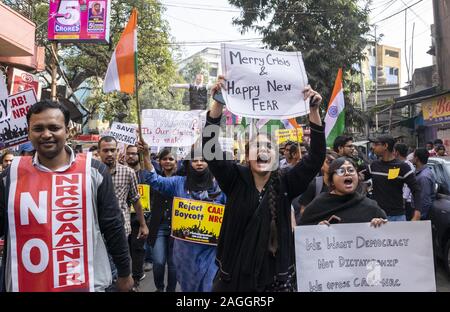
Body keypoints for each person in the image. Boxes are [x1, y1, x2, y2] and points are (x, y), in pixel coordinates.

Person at [204, 78, 325, 292]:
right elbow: (209, 150)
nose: (263, 150)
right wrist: (218, 102)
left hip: (274, 280)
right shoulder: (234, 179)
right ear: (247, 155)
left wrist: (313, 110)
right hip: (234, 279)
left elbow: (316, 157)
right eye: (257, 146)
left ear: (277, 157)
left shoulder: (286, 183)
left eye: (269, 147)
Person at [0, 100, 133, 292]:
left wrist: (124, 272)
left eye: (54, 127)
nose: (46, 134)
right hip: (28, 283)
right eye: (38, 128)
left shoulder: (94, 171)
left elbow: (112, 225)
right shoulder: (10, 175)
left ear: (68, 130)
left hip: (86, 284)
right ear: (28, 132)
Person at [142, 143, 226, 292]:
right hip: (185, 251)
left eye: (203, 160)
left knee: (208, 286)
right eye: (195, 160)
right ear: (189, 163)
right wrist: (147, 157)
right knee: (189, 286)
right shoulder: (179, 183)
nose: (199, 163)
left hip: (211, 250)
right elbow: (155, 180)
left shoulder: (220, 187)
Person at [98, 136, 149, 286]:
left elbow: (136, 201)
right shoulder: (91, 172)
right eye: (105, 150)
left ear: (117, 151)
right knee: (105, 269)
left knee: (119, 268)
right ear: (99, 151)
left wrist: (143, 224)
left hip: (121, 229)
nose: (109, 154)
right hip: (97, 230)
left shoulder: (128, 172)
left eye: (112, 150)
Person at [299, 157, 387, 226]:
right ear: (332, 181)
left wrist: (380, 224)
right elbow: (303, 235)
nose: (347, 173)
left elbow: (386, 235)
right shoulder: (318, 204)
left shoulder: (370, 206)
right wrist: (317, 229)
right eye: (341, 171)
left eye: (351, 170)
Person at [145, 148, 178, 292]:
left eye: (171, 159)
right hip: (159, 226)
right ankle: (159, 288)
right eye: (164, 159)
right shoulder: (154, 177)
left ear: (177, 162)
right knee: (158, 261)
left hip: (178, 228)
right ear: (159, 162)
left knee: (173, 264)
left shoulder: (183, 178)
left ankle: (171, 290)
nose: (168, 162)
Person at [368, 135, 422, 221]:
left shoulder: (403, 167)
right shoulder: (374, 165)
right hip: (376, 217)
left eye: (376, 144)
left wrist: (417, 213)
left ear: (385, 146)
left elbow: (416, 190)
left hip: (397, 217)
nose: (373, 147)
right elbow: (360, 178)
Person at [125, 144, 152, 288]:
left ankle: (135, 278)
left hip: (140, 218)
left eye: (134, 153)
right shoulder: (121, 173)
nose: (131, 156)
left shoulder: (146, 175)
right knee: (127, 249)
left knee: (137, 248)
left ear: (139, 155)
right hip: (124, 217)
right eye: (128, 153)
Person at [298, 150, 339, 216]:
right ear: (322, 165)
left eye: (336, 162)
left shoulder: (343, 185)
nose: (332, 165)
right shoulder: (314, 185)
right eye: (329, 162)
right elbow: (303, 211)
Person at [393, 143, 415, 220]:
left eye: (394, 151)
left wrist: (404, 199)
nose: (393, 153)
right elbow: (392, 181)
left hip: (406, 201)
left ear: (397, 152)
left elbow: (408, 185)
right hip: (396, 200)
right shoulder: (395, 165)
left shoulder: (408, 165)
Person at [412, 148, 435, 220]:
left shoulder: (424, 177)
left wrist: (419, 216)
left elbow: (424, 200)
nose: (412, 158)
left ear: (416, 158)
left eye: (413, 156)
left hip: (420, 216)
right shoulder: (420, 173)